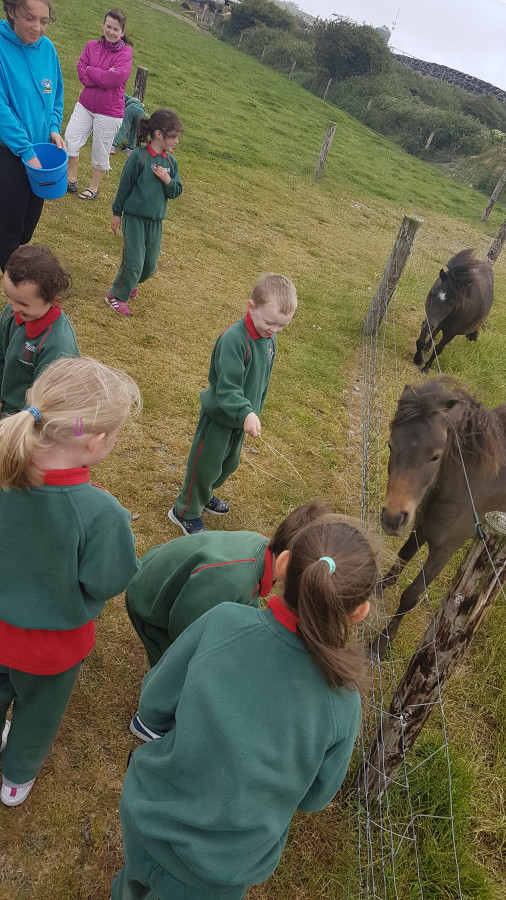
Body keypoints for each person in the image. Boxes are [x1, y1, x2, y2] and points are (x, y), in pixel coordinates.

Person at [112, 513, 378, 899]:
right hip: (217, 870)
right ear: (359, 611)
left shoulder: (222, 620)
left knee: (131, 884)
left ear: (284, 563)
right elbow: (315, 798)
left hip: (146, 814)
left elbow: (153, 706)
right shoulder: (343, 700)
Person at [0, 356, 141, 807]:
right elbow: (108, 580)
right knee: (38, 714)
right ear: (95, 441)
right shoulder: (101, 513)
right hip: (52, 650)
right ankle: (15, 778)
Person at [126, 500, 333, 670]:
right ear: (286, 563)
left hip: (165, 575)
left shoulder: (264, 549)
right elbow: (183, 630)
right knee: (177, 671)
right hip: (148, 604)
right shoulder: (233, 580)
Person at [169, 273, 297, 535]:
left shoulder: (268, 338)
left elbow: (260, 378)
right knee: (205, 466)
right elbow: (227, 387)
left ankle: (205, 495)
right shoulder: (234, 340)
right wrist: (246, 412)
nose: (274, 330)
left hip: (240, 419)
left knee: (228, 464)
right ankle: (185, 511)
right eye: (270, 322)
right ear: (251, 307)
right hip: (221, 417)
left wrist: (251, 411)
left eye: (282, 326)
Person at [0, 0, 65, 271]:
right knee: (9, 233)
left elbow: (56, 96)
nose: (37, 27)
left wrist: (53, 128)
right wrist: (26, 150)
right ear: (11, 11)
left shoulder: (47, 49)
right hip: (8, 152)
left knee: (26, 230)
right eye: (30, 18)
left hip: (40, 154)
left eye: (44, 21)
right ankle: (16, 291)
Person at [105, 108, 183, 316]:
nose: (176, 141)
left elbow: (176, 191)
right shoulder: (138, 157)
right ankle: (116, 296)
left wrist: (167, 180)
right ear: (158, 134)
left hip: (156, 222)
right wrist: (116, 213)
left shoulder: (171, 163)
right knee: (134, 262)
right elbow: (124, 187)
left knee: (149, 266)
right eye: (173, 136)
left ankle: (130, 282)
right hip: (134, 219)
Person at [0, 244, 78, 416]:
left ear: (54, 300)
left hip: (29, 417)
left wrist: (15, 423)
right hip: (7, 404)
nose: (14, 308)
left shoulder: (58, 346)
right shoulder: (12, 311)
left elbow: (47, 403)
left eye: (23, 304)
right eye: (9, 297)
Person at [64, 8, 132, 201]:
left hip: (109, 112)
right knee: (70, 138)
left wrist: (92, 70)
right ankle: (71, 179)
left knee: (100, 150)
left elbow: (117, 77)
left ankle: (93, 188)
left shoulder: (125, 53)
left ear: (122, 32)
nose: (111, 31)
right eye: (108, 26)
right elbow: (81, 72)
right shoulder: (91, 46)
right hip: (85, 104)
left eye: (116, 29)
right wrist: (103, 74)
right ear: (103, 25)